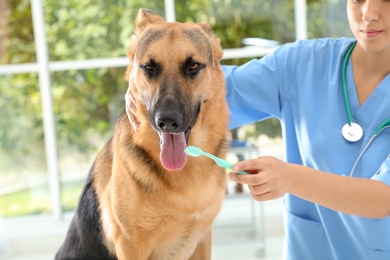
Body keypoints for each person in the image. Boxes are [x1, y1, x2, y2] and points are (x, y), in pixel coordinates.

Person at [125, 0, 390, 259]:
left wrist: (290, 178)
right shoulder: (304, 64)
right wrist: (146, 85)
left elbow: (384, 199)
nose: (368, 13)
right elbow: (216, 91)